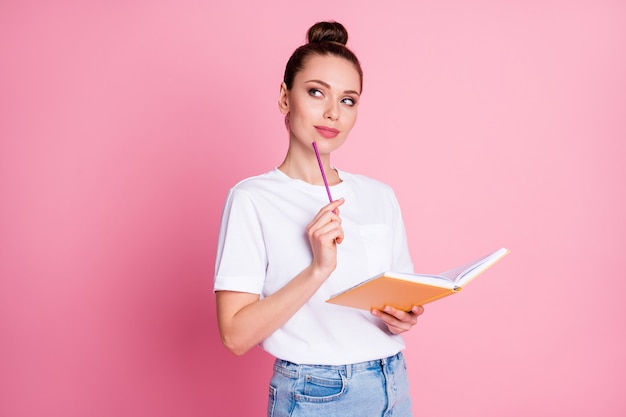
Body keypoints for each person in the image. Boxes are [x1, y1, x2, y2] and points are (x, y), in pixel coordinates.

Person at [214, 21, 424, 417]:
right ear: (284, 98)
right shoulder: (253, 199)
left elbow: (399, 299)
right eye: (316, 92)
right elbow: (235, 336)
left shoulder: (380, 195)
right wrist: (318, 268)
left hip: (393, 382)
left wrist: (403, 317)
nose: (332, 113)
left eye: (348, 100)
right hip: (316, 394)